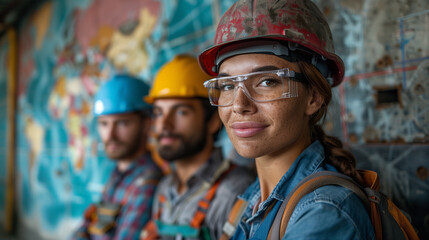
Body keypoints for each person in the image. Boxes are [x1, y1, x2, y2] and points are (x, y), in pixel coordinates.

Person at [198, 0, 375, 239]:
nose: (239, 105)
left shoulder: (324, 212)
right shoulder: (250, 200)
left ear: (313, 96)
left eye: (267, 81)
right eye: (228, 85)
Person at [140, 55, 255, 240]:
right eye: (158, 112)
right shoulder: (164, 190)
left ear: (212, 121)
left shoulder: (235, 191)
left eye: (181, 112)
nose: (164, 125)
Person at [72, 74, 163, 240]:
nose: (110, 135)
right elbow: (87, 225)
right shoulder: (117, 174)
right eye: (104, 124)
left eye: (122, 123)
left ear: (147, 124)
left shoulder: (147, 182)